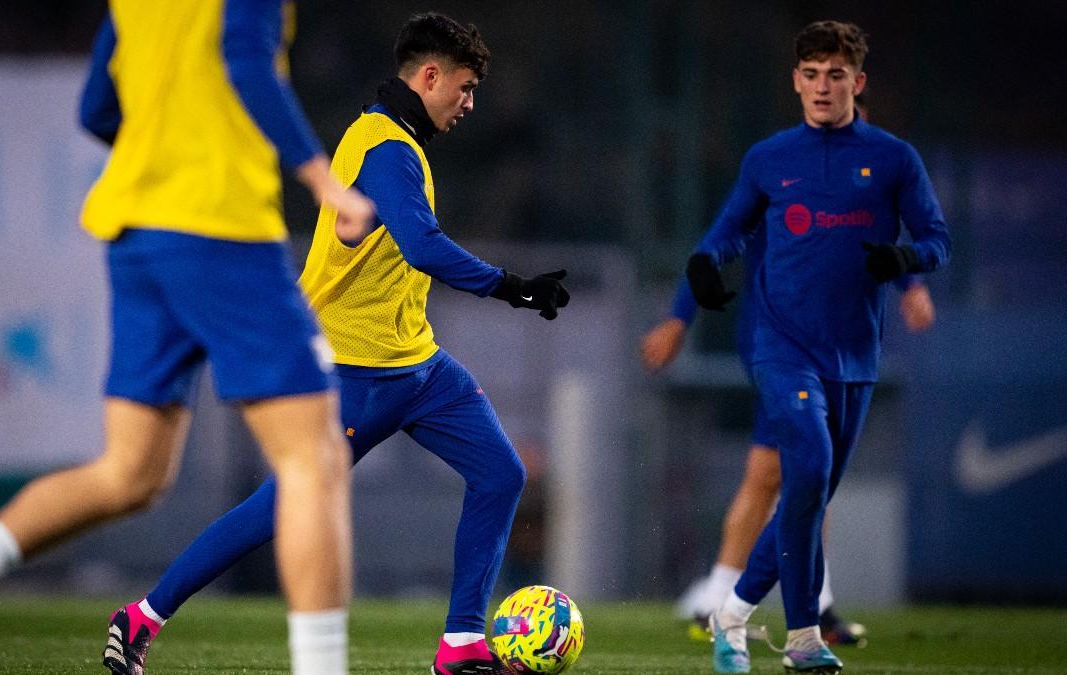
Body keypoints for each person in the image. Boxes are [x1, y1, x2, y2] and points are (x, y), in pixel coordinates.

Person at [0, 3, 374, 675]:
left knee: (131, 473)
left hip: (138, 237)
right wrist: (322, 179)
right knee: (314, 461)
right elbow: (246, 61)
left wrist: (161, 154)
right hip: (221, 231)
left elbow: (95, 106)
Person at [97, 12, 570, 675]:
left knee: (501, 471)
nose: (469, 104)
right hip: (357, 375)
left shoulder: (399, 141)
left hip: (418, 366)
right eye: (464, 89)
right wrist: (511, 287)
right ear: (429, 76)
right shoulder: (383, 148)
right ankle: (142, 615)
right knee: (284, 504)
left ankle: (462, 640)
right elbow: (422, 245)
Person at [683, 20, 950, 673]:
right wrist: (703, 266)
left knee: (810, 493)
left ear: (858, 82)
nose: (822, 86)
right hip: (781, 345)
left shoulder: (893, 158)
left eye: (836, 75)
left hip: (855, 355)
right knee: (803, 467)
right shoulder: (769, 158)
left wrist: (906, 258)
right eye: (811, 74)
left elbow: (938, 240)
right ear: (795, 81)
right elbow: (725, 232)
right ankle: (801, 638)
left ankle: (740, 615)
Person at [642, 224, 936, 646]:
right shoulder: (777, 171)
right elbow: (716, 241)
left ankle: (727, 601)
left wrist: (911, 284)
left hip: (830, 345)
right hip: (778, 345)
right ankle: (758, 605)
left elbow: (878, 237)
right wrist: (679, 318)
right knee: (798, 468)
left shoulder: (852, 177)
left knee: (791, 473)